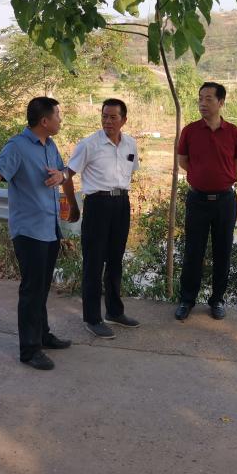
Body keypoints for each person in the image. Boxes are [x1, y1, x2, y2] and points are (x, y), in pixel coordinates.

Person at [0, 97, 71, 370]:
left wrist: (61, 176)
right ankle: (29, 350)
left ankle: (42, 335)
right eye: (57, 115)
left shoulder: (50, 145)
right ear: (44, 121)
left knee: (42, 287)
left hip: (50, 227)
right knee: (31, 290)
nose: (60, 120)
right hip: (29, 231)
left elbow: (62, 171)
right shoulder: (16, 146)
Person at [61, 98, 141, 339]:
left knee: (116, 260)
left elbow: (130, 172)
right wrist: (73, 205)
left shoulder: (130, 144)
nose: (108, 121)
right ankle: (92, 318)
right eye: (104, 116)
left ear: (124, 120)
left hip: (121, 204)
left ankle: (115, 312)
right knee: (94, 262)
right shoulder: (89, 144)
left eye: (113, 117)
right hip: (97, 204)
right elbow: (66, 175)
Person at [174, 82, 237, 321]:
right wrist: (200, 176)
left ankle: (217, 300)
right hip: (197, 200)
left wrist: (221, 178)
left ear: (221, 102)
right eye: (200, 98)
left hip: (225, 201)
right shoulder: (190, 131)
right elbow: (183, 160)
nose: (203, 103)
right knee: (193, 251)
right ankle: (187, 300)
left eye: (208, 99)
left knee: (223, 251)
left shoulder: (233, 131)